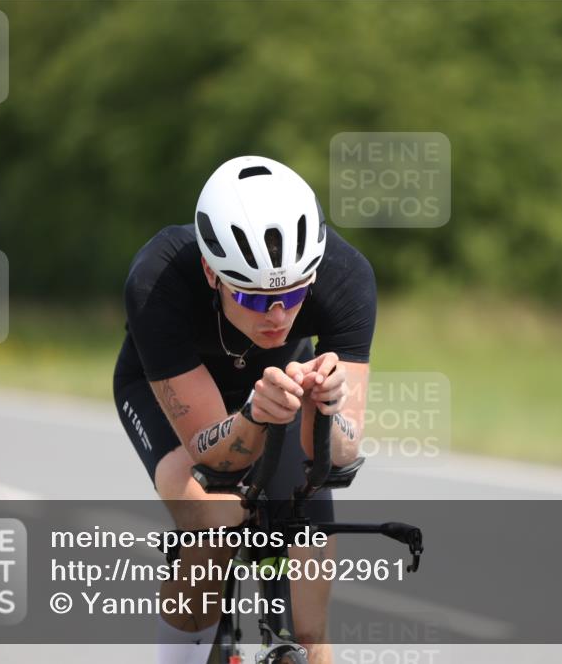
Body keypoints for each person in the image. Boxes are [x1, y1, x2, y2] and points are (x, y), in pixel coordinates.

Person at [113, 155, 376, 664]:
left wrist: (326, 405)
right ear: (213, 273)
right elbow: (217, 459)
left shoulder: (346, 278)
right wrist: (254, 414)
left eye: (295, 294)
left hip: (285, 391)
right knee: (213, 526)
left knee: (310, 623)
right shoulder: (156, 280)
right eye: (255, 300)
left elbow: (341, 454)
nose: (278, 316)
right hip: (173, 395)